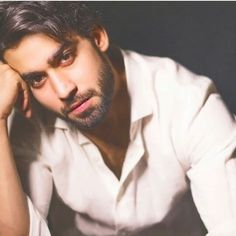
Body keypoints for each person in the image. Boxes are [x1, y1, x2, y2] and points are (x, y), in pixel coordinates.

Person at [0, 1, 235, 236]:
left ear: (97, 36)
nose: (63, 90)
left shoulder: (188, 101)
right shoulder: (28, 120)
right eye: (38, 79)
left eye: (65, 57)